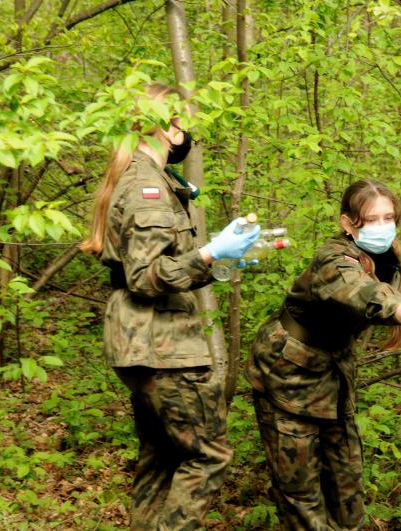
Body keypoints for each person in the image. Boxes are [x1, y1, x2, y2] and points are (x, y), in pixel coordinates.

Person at [80, 83, 260, 530]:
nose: (186, 131)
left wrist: (219, 259)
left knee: (161, 457)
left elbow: (161, 265)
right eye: (180, 120)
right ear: (159, 125)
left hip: (145, 342)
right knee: (209, 455)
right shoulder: (147, 187)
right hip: (161, 345)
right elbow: (145, 276)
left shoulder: (151, 180)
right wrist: (211, 253)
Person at [245, 179, 401, 530]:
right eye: (371, 219)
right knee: (300, 490)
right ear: (348, 223)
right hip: (287, 375)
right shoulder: (334, 259)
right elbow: (361, 293)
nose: (382, 227)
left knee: (347, 482)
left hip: (333, 374)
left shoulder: (385, 258)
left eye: (388, 218)